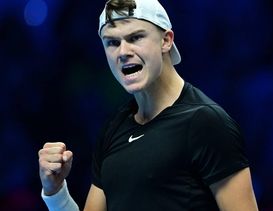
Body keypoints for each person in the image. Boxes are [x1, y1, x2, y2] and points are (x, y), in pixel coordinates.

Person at [38, 0, 258, 210]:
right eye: (112, 42)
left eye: (135, 38)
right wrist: (56, 192)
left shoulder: (207, 123)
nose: (123, 52)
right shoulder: (114, 129)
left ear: (166, 40)